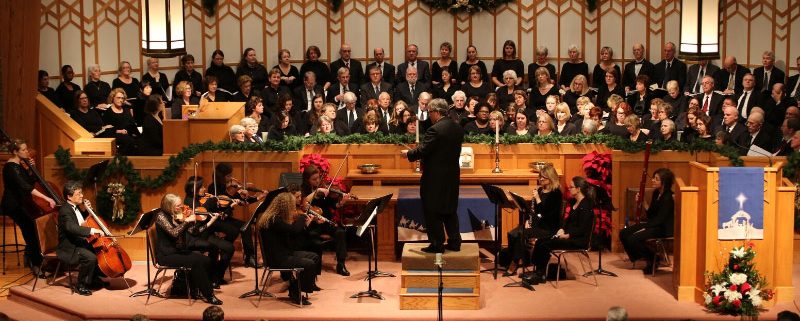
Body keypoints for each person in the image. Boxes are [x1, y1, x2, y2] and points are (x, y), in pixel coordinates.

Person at [401, 98, 465, 253]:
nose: (429, 115)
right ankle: (455, 242)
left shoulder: (435, 129)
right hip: (452, 177)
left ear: (436, 112)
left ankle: (437, 244)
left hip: (434, 178)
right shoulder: (457, 128)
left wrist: (408, 153)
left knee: (432, 210)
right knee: (450, 209)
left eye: (430, 112)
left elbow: (424, 150)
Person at [153, 194, 222, 305]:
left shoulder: (177, 215)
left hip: (178, 251)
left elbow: (195, 232)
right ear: (169, 206)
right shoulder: (161, 216)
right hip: (166, 255)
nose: (181, 207)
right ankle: (209, 295)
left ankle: (196, 288)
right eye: (177, 205)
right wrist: (187, 221)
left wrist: (210, 221)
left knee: (207, 261)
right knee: (196, 262)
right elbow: (174, 233)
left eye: (181, 204)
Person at [1, 139, 56, 278]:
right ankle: (36, 264)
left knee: (33, 229)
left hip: (22, 203)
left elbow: (31, 181)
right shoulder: (11, 167)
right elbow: (26, 187)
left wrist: (33, 169)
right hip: (13, 205)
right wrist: (47, 198)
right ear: (15, 152)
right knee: (31, 229)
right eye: (24, 150)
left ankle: (31, 257)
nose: (27, 152)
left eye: (27, 149)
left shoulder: (20, 165)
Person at [525, 176, 595, 284]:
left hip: (577, 241)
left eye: (571, 187)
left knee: (545, 245)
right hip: (569, 236)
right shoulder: (575, 202)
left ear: (578, 189)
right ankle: (538, 272)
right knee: (541, 241)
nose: (569, 189)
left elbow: (582, 229)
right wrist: (562, 229)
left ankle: (540, 275)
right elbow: (568, 222)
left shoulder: (586, 206)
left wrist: (567, 235)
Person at [257, 192, 320, 305]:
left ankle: (294, 287)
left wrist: (305, 226)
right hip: (278, 259)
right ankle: (296, 291)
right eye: (291, 205)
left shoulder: (275, 218)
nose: (293, 208)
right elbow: (294, 230)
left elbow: (291, 237)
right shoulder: (274, 220)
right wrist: (302, 218)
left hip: (284, 253)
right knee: (309, 264)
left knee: (314, 256)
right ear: (285, 206)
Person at [504, 165, 562, 276]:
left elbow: (546, 214)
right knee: (513, 233)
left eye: (543, 178)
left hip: (548, 228)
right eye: (540, 177)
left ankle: (514, 263)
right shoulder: (540, 190)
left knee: (522, 233)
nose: (540, 179)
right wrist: (527, 220)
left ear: (551, 178)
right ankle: (519, 259)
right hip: (538, 225)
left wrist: (538, 199)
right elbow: (533, 210)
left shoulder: (556, 194)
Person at [299, 164, 354, 276]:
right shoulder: (302, 190)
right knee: (313, 237)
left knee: (340, 232)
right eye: (314, 179)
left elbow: (334, 205)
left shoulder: (324, 189)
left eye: (318, 178)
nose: (317, 180)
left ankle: (341, 264)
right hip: (312, 223)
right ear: (307, 180)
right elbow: (303, 204)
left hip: (326, 221)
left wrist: (341, 202)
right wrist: (316, 191)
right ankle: (314, 267)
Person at [619, 168, 675, 274]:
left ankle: (653, 259)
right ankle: (646, 257)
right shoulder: (656, 193)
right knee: (623, 233)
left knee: (633, 239)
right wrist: (643, 202)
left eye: (656, 179)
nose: (653, 180)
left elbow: (661, 219)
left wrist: (645, 227)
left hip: (664, 228)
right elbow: (651, 214)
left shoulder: (668, 197)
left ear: (664, 182)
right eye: (653, 178)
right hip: (654, 224)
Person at [206, 163, 262, 268]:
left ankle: (249, 257)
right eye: (228, 176)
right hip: (217, 219)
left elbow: (241, 201)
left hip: (227, 218)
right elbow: (221, 205)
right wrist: (233, 192)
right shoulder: (213, 187)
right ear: (220, 176)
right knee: (234, 230)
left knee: (246, 226)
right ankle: (224, 248)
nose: (231, 178)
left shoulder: (231, 187)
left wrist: (258, 197)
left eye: (231, 175)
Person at [57, 181, 107, 296]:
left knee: (98, 250)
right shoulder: (65, 210)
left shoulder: (76, 207)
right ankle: (80, 285)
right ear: (69, 197)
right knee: (90, 258)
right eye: (78, 193)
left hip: (78, 241)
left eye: (81, 193)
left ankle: (93, 278)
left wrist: (88, 209)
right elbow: (71, 227)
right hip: (69, 247)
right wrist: (92, 230)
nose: (82, 195)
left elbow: (83, 220)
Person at [183, 176, 231, 289]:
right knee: (215, 248)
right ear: (193, 189)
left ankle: (217, 275)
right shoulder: (189, 202)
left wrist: (219, 206)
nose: (205, 189)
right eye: (202, 187)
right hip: (198, 235)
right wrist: (209, 202)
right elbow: (200, 218)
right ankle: (213, 277)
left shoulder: (202, 199)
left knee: (229, 248)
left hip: (207, 232)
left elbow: (211, 213)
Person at [103, 88, 140, 155]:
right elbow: (106, 130)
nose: (120, 100)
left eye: (122, 98)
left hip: (128, 134)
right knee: (129, 141)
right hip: (115, 135)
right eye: (118, 98)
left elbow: (132, 125)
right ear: (112, 98)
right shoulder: (108, 112)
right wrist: (119, 131)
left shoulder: (126, 110)